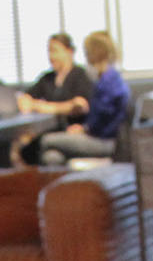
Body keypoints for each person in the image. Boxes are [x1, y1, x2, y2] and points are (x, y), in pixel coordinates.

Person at [38, 30, 129, 164]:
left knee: (45, 141)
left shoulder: (107, 82)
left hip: (104, 141)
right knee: (52, 157)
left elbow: (100, 121)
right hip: (99, 136)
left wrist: (84, 129)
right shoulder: (111, 78)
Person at [13, 32, 93, 164]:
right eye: (49, 51)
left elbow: (79, 106)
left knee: (40, 146)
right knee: (33, 152)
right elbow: (24, 99)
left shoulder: (80, 75)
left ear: (69, 52)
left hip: (73, 132)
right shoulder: (47, 78)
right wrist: (57, 107)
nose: (51, 56)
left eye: (55, 51)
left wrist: (43, 107)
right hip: (51, 130)